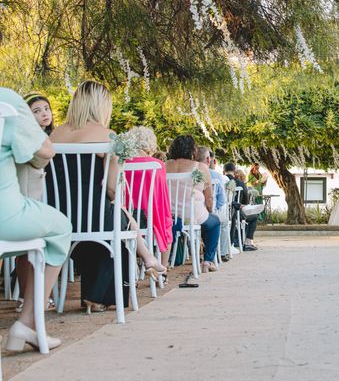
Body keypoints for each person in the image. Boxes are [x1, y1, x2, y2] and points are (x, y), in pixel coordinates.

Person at [49, 81, 166, 312]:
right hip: (94, 215)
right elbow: (112, 189)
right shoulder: (107, 135)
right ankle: (102, 294)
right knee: (118, 224)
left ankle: (96, 295)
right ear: (102, 106)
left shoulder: (56, 133)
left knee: (112, 224)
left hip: (58, 215)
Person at [0, 88, 71, 352]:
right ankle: (27, 323)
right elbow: (44, 151)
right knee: (61, 227)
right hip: (6, 213)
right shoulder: (7, 100)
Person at [165, 136, 222, 272]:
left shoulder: (165, 165)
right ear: (192, 150)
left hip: (169, 215)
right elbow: (209, 199)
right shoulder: (200, 167)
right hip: (193, 215)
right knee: (214, 222)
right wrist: (209, 211)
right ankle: (207, 261)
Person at [125, 127, 173, 270]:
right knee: (167, 223)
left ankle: (132, 268)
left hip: (126, 217)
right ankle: (163, 270)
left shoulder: (122, 162)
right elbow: (162, 197)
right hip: (149, 218)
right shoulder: (156, 164)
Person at [195, 147, 232, 262]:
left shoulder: (190, 170)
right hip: (207, 212)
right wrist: (212, 209)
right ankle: (221, 253)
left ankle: (198, 252)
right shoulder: (216, 175)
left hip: (188, 213)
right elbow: (222, 200)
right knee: (223, 222)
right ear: (208, 159)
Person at [16, 93, 55, 200]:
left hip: (47, 191)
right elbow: (40, 162)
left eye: (47, 109)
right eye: (37, 111)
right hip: (27, 194)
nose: (44, 113)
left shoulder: (53, 134)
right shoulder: (26, 137)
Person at [224, 162, 259, 251]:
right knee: (254, 217)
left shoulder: (221, 180)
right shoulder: (240, 183)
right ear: (234, 171)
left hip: (222, 212)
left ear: (224, 171)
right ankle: (247, 243)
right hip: (237, 213)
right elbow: (246, 202)